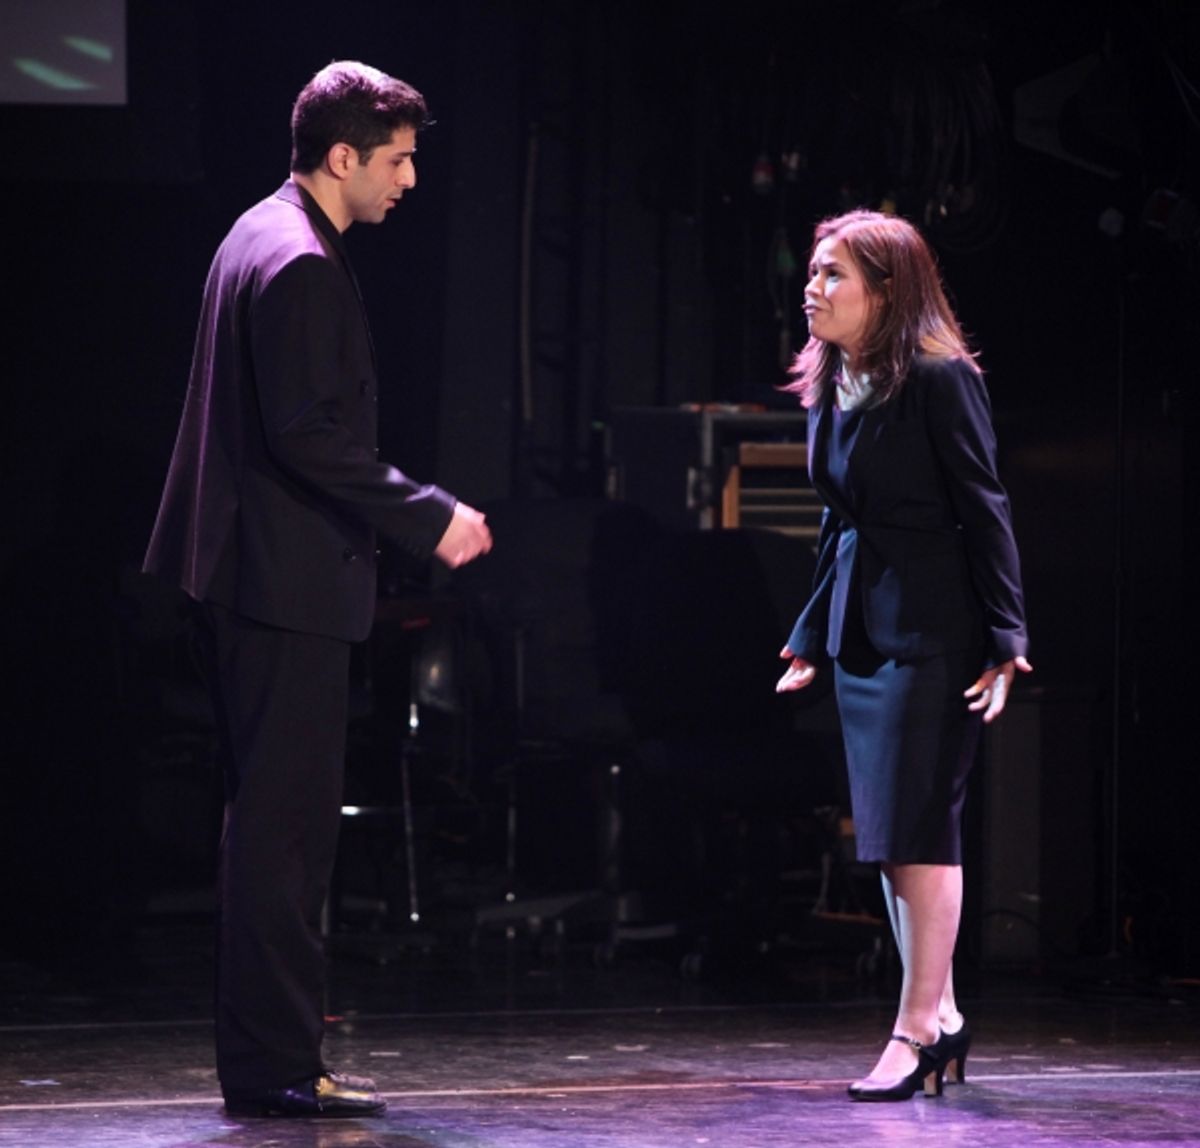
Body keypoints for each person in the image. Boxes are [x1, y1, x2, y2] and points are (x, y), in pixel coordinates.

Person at [143, 60, 492, 1118]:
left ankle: (274, 1057)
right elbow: (305, 434)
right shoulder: (294, 257)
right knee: (284, 833)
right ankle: (277, 1064)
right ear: (342, 156)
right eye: (398, 159)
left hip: (252, 576)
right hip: (281, 582)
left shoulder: (258, 231)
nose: (411, 180)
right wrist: (428, 512)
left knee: (273, 825)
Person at [775, 210, 1031, 1102]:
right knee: (889, 838)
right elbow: (838, 521)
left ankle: (916, 1027)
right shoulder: (836, 378)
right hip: (861, 637)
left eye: (833, 274)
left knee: (921, 826)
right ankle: (945, 1013)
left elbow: (984, 505)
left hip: (935, 633)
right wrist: (812, 631)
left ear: (887, 290)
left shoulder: (938, 377)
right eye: (812, 272)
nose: (813, 287)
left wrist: (1007, 636)